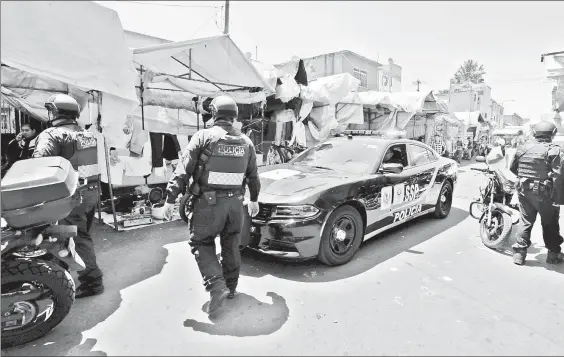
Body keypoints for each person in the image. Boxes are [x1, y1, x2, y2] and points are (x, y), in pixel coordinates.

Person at [162, 95, 261, 315]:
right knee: (231, 244)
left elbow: (183, 170)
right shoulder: (247, 143)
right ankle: (231, 287)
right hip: (236, 205)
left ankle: (217, 286)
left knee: (201, 242)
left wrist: (170, 199)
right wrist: (253, 200)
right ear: (234, 116)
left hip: (208, 206)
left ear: (214, 114)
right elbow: (253, 177)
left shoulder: (203, 136)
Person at [33, 94, 104, 297]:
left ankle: (92, 281)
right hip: (91, 193)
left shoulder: (52, 135)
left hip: (70, 197)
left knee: (76, 238)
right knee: (78, 236)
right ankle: (59, 278)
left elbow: (40, 165)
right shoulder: (87, 134)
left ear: (55, 112)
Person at [509, 120, 563, 265]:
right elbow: (559, 176)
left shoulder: (523, 148)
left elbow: (513, 169)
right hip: (546, 194)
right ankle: (553, 255)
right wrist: (559, 197)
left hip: (524, 192)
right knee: (550, 223)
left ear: (535, 133)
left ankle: (519, 255)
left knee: (525, 221)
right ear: (553, 134)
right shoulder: (554, 150)